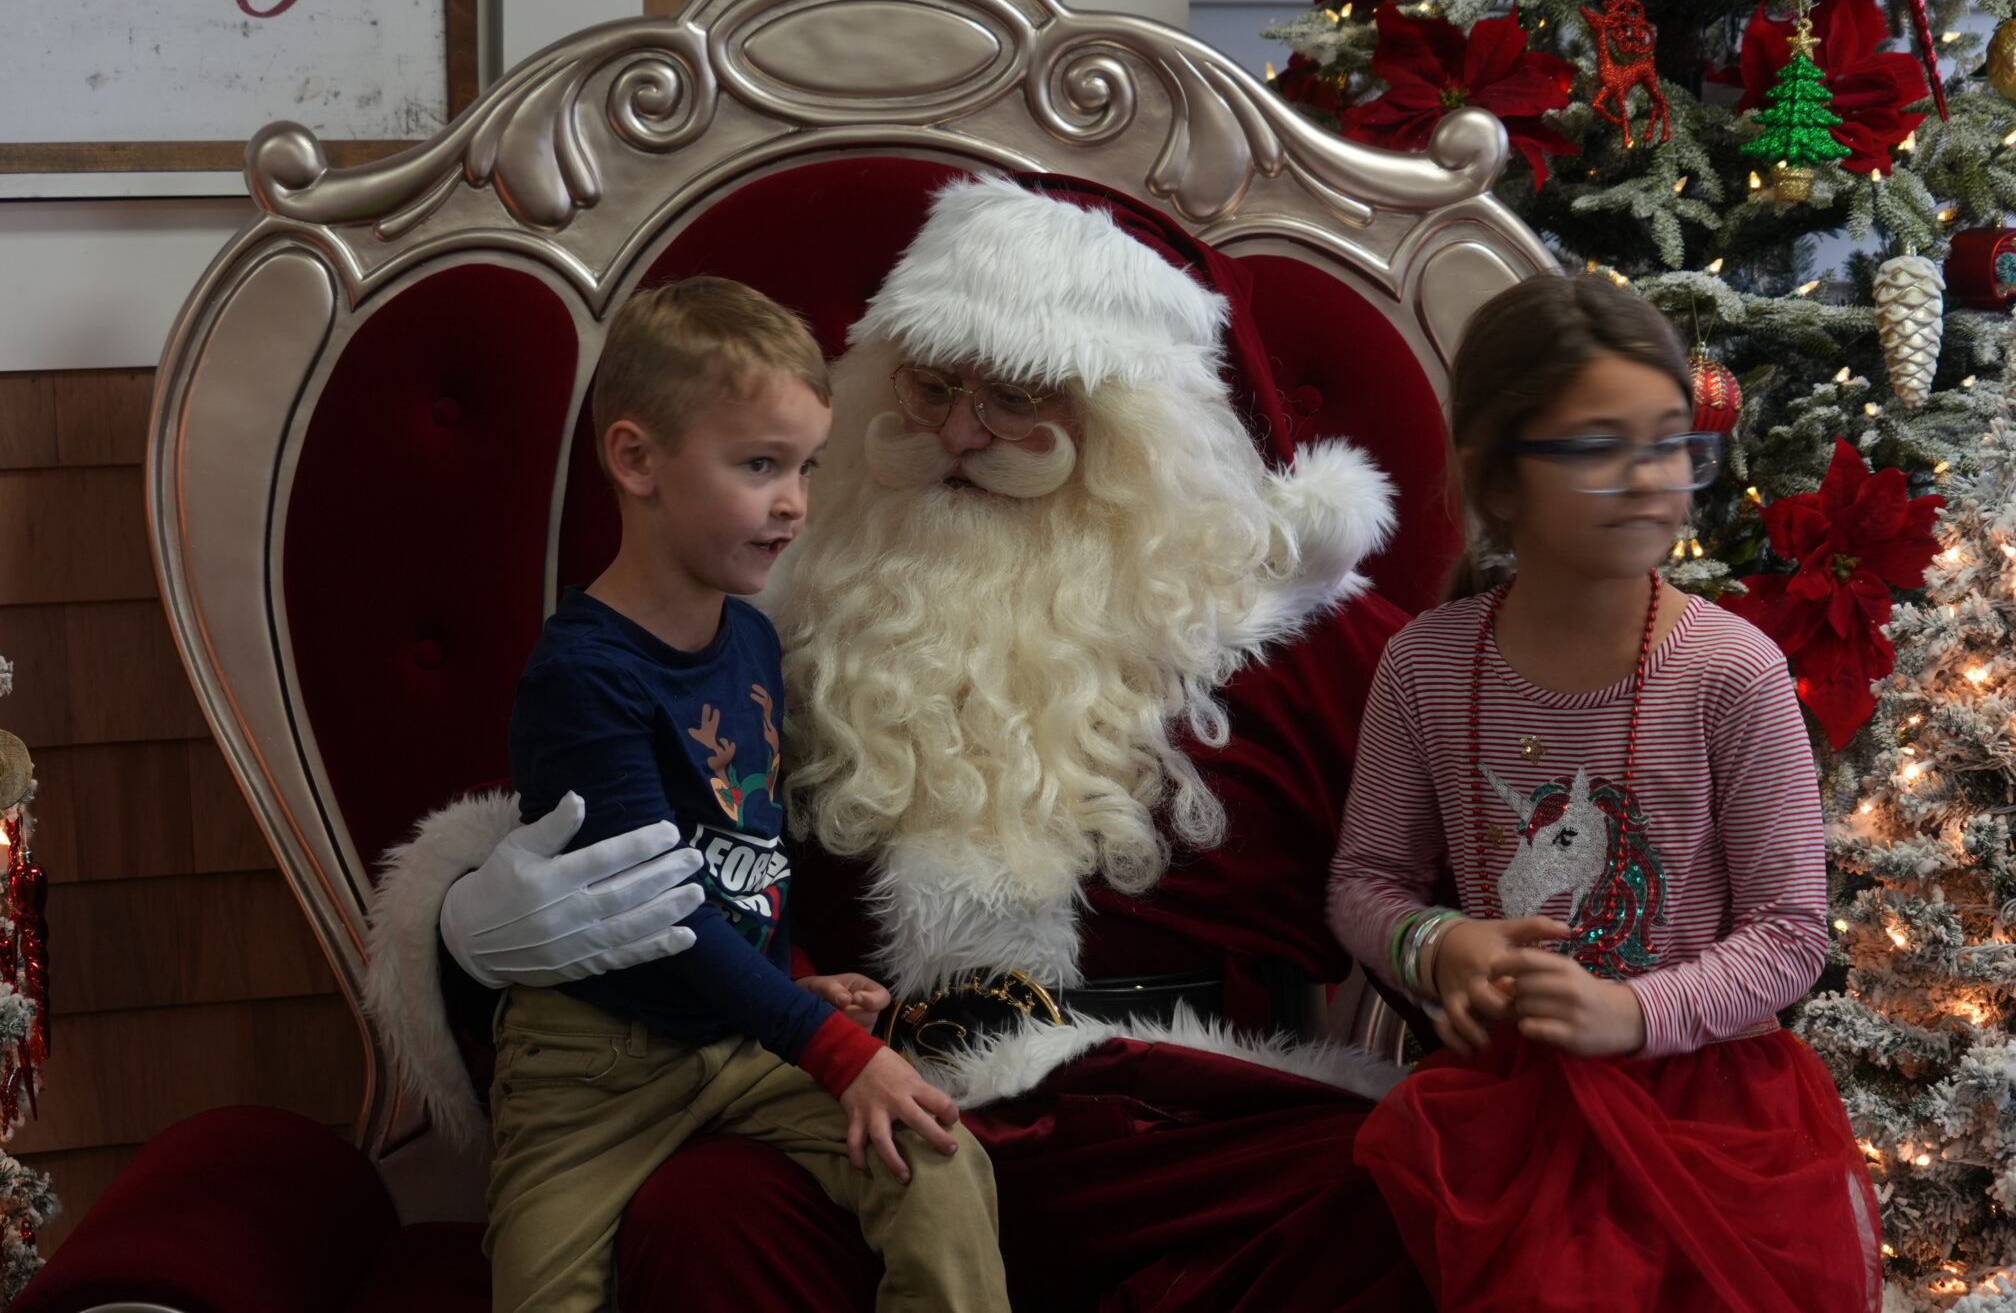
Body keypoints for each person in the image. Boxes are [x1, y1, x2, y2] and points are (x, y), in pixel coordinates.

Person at [371, 177, 1430, 1312]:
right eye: (931, 387)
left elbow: (1466, 893)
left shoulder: (1311, 647)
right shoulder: (775, 614)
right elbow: (610, 826)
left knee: (1400, 1187)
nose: (961, 434)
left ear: (1140, 431)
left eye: (1015, 395)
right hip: (852, 1106)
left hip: (1182, 1128)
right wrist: (468, 934)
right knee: (703, 1213)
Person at [1327, 274, 1880, 1312]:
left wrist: (1629, 1010)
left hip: (1711, 1128)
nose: (1651, 479)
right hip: (1500, 1115)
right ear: (1498, 481)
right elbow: (1364, 881)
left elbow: (1792, 933)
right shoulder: (1426, 665)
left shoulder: (1731, 671)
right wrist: (1440, 944)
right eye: (1597, 447)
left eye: (1671, 443)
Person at [487, 277, 1009, 1313]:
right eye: (760, 465)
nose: (794, 503)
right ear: (637, 460)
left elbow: (746, 850)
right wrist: (835, 1049)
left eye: (807, 467)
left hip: (741, 1034)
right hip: (596, 1067)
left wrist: (793, 975)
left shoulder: (753, 642)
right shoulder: (584, 675)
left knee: (937, 1155)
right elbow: (664, 915)